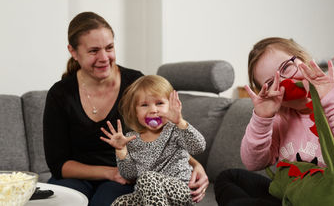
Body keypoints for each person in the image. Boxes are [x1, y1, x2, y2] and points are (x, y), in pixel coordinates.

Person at [43, 11, 209, 206]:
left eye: (109, 48)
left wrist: (196, 165)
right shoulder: (60, 94)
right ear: (73, 51)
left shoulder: (135, 83)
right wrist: (109, 172)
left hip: (127, 175)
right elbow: (58, 164)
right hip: (81, 176)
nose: (104, 57)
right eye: (94, 51)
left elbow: (160, 136)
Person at [214, 37, 334, 206]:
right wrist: (262, 119)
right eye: (272, 82)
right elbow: (253, 162)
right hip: (298, 195)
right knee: (229, 178)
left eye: (287, 67)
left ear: (303, 58)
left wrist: (331, 103)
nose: (286, 82)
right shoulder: (282, 118)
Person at [100, 75, 206, 205]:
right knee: (120, 202)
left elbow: (199, 147)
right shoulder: (132, 139)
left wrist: (180, 122)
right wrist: (121, 150)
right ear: (135, 112)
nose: (153, 110)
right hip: (149, 195)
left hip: (181, 190)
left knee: (147, 177)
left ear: (170, 106)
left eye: (160, 103)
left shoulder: (175, 130)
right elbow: (129, 175)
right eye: (144, 105)